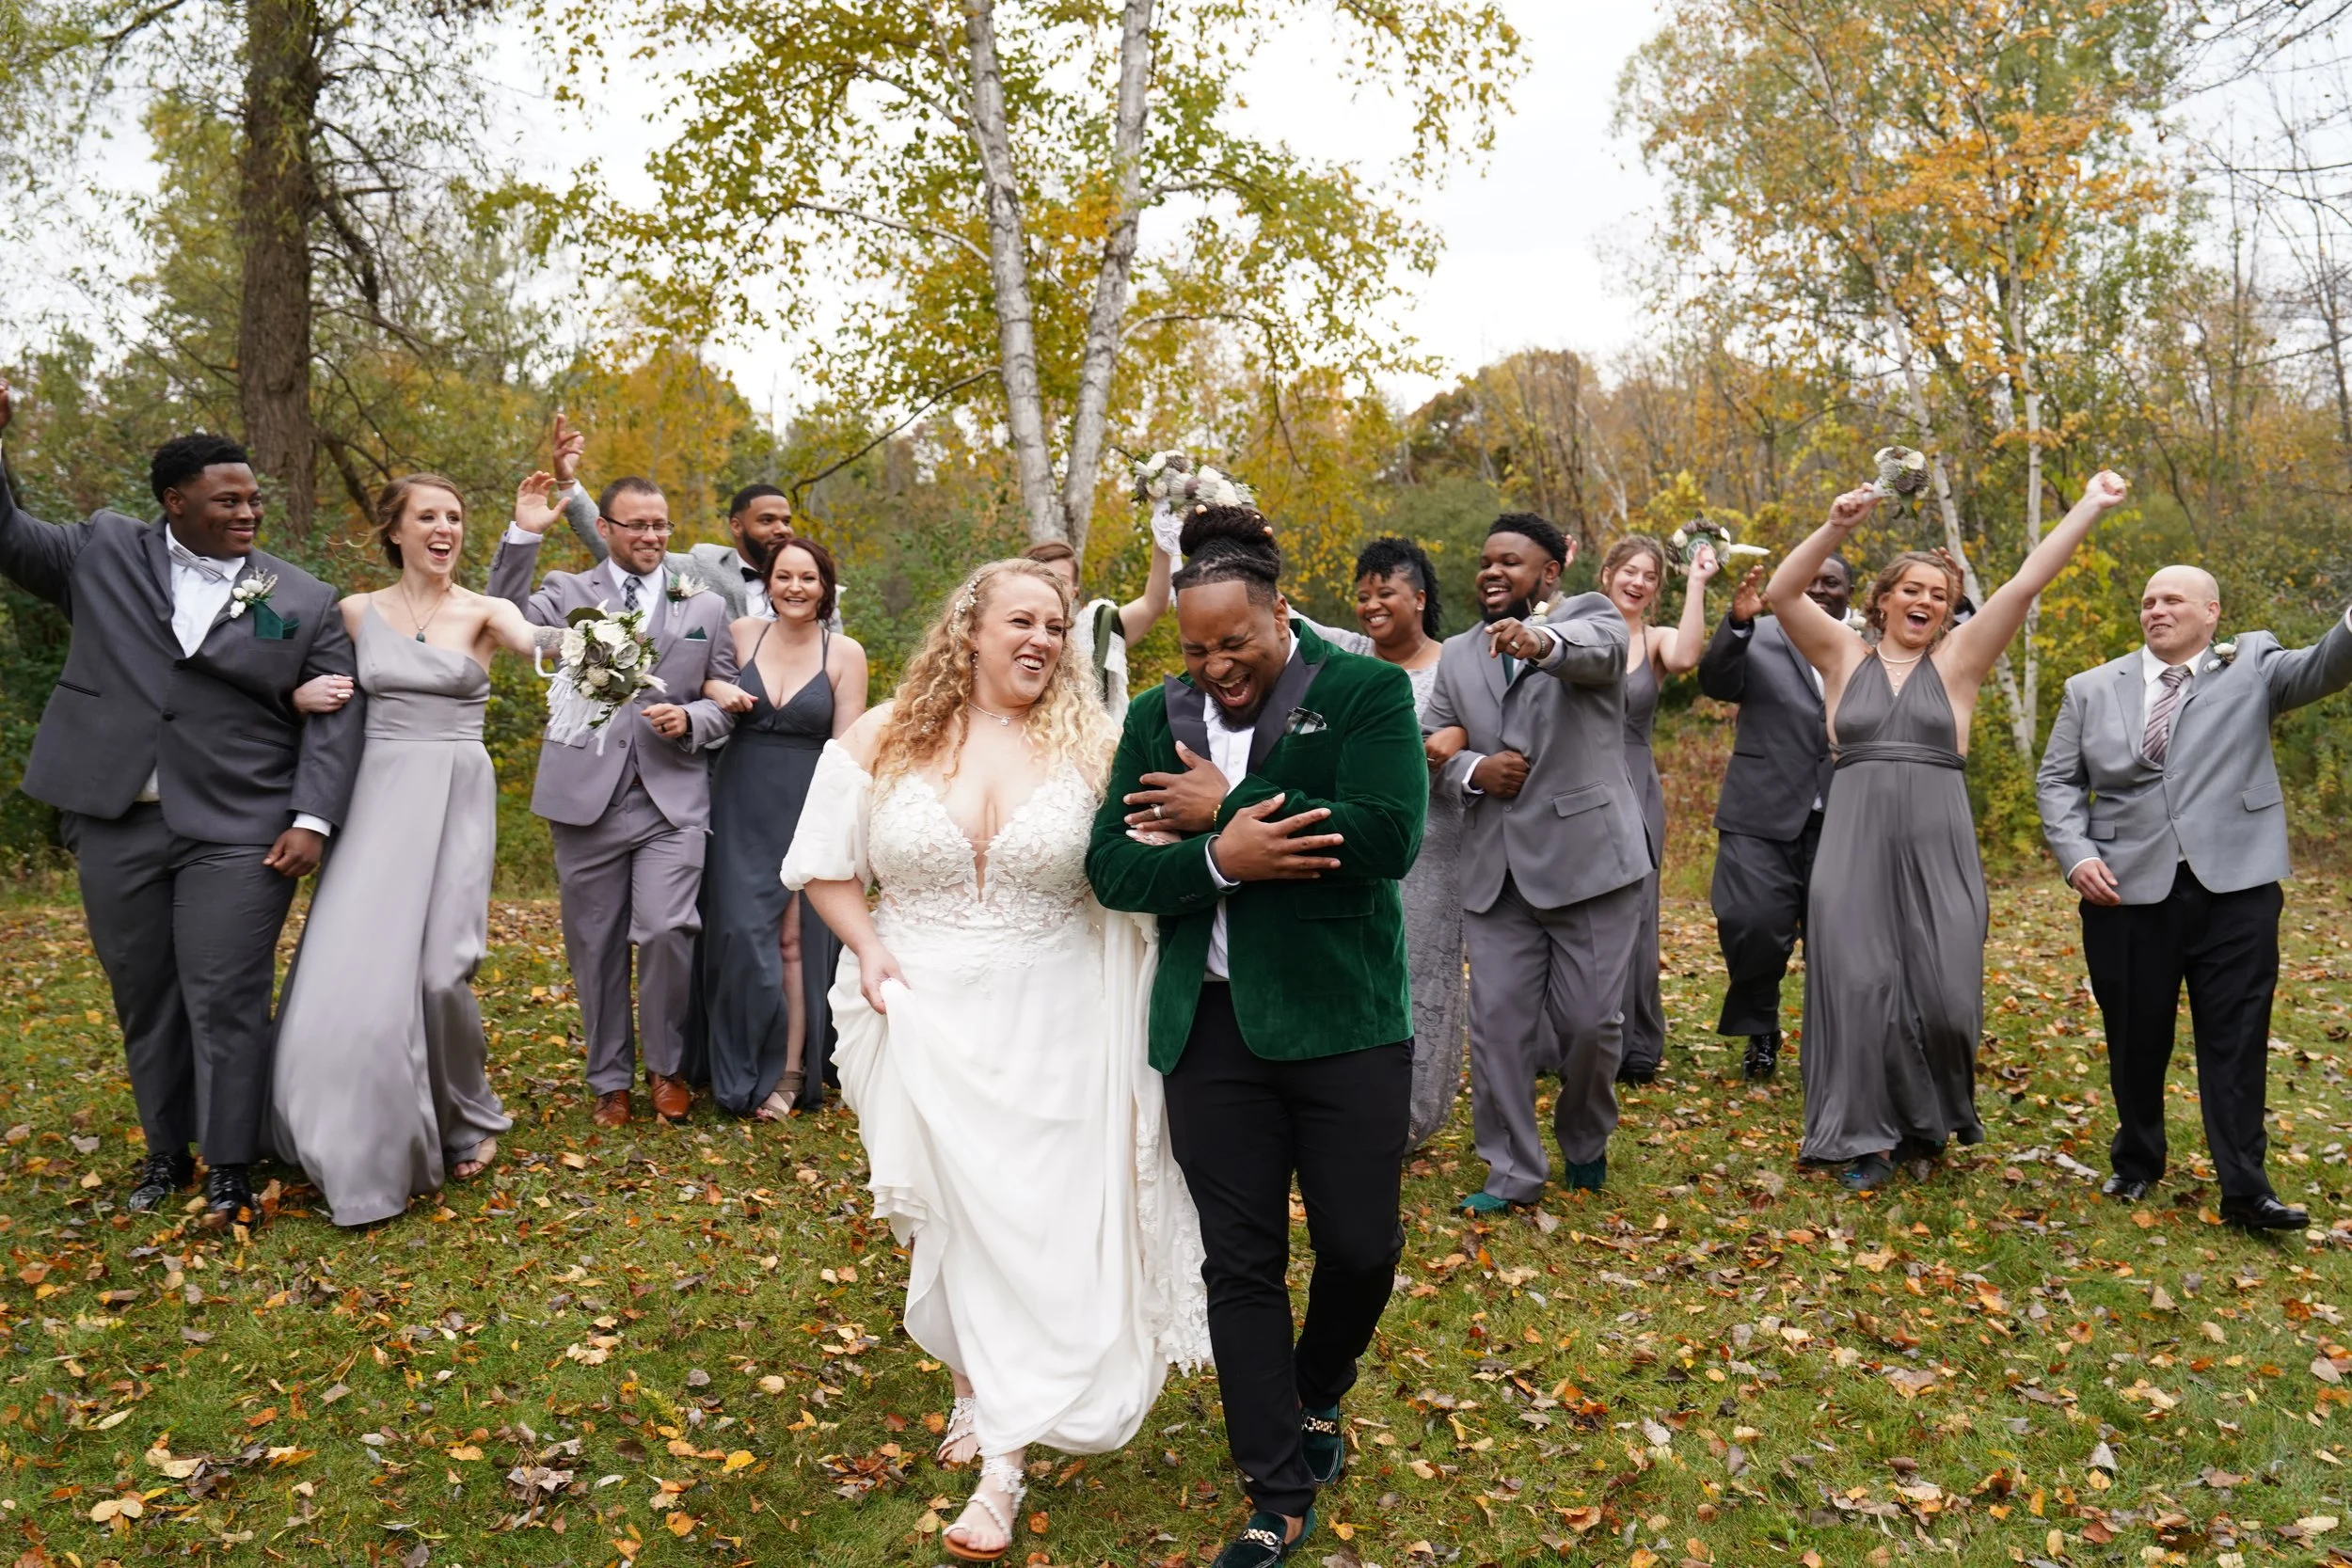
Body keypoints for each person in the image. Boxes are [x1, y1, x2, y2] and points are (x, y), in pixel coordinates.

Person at [787, 558, 1208, 1562]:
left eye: (1056, 626)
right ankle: (974, 1384)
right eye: (1022, 620)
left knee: (1032, 1219)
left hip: (1057, 1016)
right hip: (917, 1010)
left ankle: (1003, 1467)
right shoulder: (885, 734)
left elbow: (1131, 865)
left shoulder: (1095, 744)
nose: (1042, 640)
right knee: (953, 1214)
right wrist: (869, 949)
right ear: (969, 629)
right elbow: (822, 865)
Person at [1091, 508, 1427, 1568]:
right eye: (1196, 649)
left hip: (1344, 1020)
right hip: (1211, 1030)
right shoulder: (1157, 716)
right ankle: (1276, 1492)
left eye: (1233, 641)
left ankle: (1316, 1387)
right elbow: (1112, 865)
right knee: (1241, 1263)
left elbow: (1386, 835)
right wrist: (1220, 857)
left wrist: (1227, 803)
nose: (1215, 666)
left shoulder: (1364, 691)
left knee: (1361, 1245)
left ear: (1280, 614)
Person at [0, 386, 364, 1228]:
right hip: (115, 817)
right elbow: (8, 536)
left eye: (254, 498)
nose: (248, 512)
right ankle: (166, 1150)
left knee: (227, 993)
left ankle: (230, 1164)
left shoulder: (302, 597)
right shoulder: (101, 549)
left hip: (241, 826)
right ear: (174, 501)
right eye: (227, 500)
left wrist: (312, 817)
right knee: (145, 995)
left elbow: (339, 716)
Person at [1769, 471, 2129, 1191]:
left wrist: (2090, 504)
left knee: (1945, 999)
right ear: (1883, 599)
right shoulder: (1841, 656)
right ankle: (1866, 1138)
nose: (1927, 601)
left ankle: (1926, 1118)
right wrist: (1837, 523)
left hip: (1939, 848)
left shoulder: (1960, 661)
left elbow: (2025, 584)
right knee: (1860, 986)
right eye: (1913, 589)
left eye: (1939, 594)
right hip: (1853, 848)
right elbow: (1782, 593)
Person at [271, 473, 558, 1224]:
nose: (444, 528)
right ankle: (351, 1137)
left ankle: (465, 1111)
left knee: (439, 974)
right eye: (427, 515)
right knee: (352, 975)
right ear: (393, 529)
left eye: (455, 516)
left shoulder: (487, 612)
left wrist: (601, 646)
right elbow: (296, 685)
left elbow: (541, 643)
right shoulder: (354, 612)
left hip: (456, 797)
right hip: (375, 801)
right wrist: (295, 696)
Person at [2038, 565, 2352, 1232]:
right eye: (2148, 600)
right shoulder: (2090, 687)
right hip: (2124, 887)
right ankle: (2137, 1158)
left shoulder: (2253, 664)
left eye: (2172, 599)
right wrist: (2078, 855)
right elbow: (2058, 781)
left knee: (2237, 1036)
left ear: (2212, 612)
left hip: (2236, 887)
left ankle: (2246, 1190)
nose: (2156, 609)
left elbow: (2326, 665)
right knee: (2134, 1033)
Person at [489, 475, 739, 1127]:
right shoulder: (569, 592)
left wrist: (693, 720)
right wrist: (523, 535)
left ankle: (666, 1068)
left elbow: (725, 698)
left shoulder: (705, 606)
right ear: (605, 528)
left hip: (670, 800)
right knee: (594, 943)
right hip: (585, 798)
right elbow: (502, 617)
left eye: (661, 525)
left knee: (665, 929)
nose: (653, 536)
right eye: (638, 525)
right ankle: (609, 1080)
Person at [1422, 515, 1647, 1214]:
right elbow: (1429, 738)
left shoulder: (1593, 617)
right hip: (1496, 873)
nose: (1493, 571)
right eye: (1486, 560)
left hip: (1589, 864)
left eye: (1511, 562)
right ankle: (1512, 1170)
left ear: (1549, 572)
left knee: (1590, 1024)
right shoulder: (1459, 654)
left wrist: (1540, 642)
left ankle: (1584, 1136)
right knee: (1498, 1027)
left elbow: (1598, 653)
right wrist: (1472, 768)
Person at [1275, 539, 1465, 1147]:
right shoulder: (1351, 654)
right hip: (1355, 844)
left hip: (1433, 850)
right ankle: (1352, 1108)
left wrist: (1459, 737)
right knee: (1359, 973)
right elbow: (1284, 616)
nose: (1371, 605)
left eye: (1386, 592)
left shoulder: (1456, 665)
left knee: (1421, 976)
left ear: (1420, 598)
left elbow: (1491, 723)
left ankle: (1408, 1119)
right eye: (1363, 595)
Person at [695, 537, 866, 1118]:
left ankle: (790, 1073)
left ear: (825, 587)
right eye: (784, 576)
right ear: (767, 582)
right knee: (738, 934)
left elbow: (847, 751)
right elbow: (699, 683)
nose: (796, 587)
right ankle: (735, 1060)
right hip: (739, 799)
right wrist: (715, 687)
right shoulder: (742, 633)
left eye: (808, 578)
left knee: (794, 942)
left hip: (808, 803)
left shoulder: (844, 653)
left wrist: (836, 827)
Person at [1696, 555, 1851, 1080]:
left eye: (1832, 582)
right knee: (1750, 923)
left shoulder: (1869, 645)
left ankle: (1835, 1041)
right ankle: (1761, 1027)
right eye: (1811, 580)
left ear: (1850, 592)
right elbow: (1716, 681)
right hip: (1759, 810)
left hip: (1846, 816)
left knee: (1839, 938)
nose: (1820, 589)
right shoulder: (1757, 634)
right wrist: (1737, 624)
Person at [1598, 533, 1723, 1083]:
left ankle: (1636, 1042)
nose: (1638, 582)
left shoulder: (1656, 640)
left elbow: (1688, 656)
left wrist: (1696, 582)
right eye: (1629, 570)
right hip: (1575, 779)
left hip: (1635, 784)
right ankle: (1572, 1034)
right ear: (1607, 575)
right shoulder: (1577, 628)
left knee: (1637, 909)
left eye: (1649, 576)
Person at [1022, 534, 1172, 709]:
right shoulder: (1008, 631)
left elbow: (1153, 604)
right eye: (1044, 579)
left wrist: (1162, 537)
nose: (1052, 588)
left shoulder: (1096, 627)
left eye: (1061, 581)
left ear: (1074, 592)